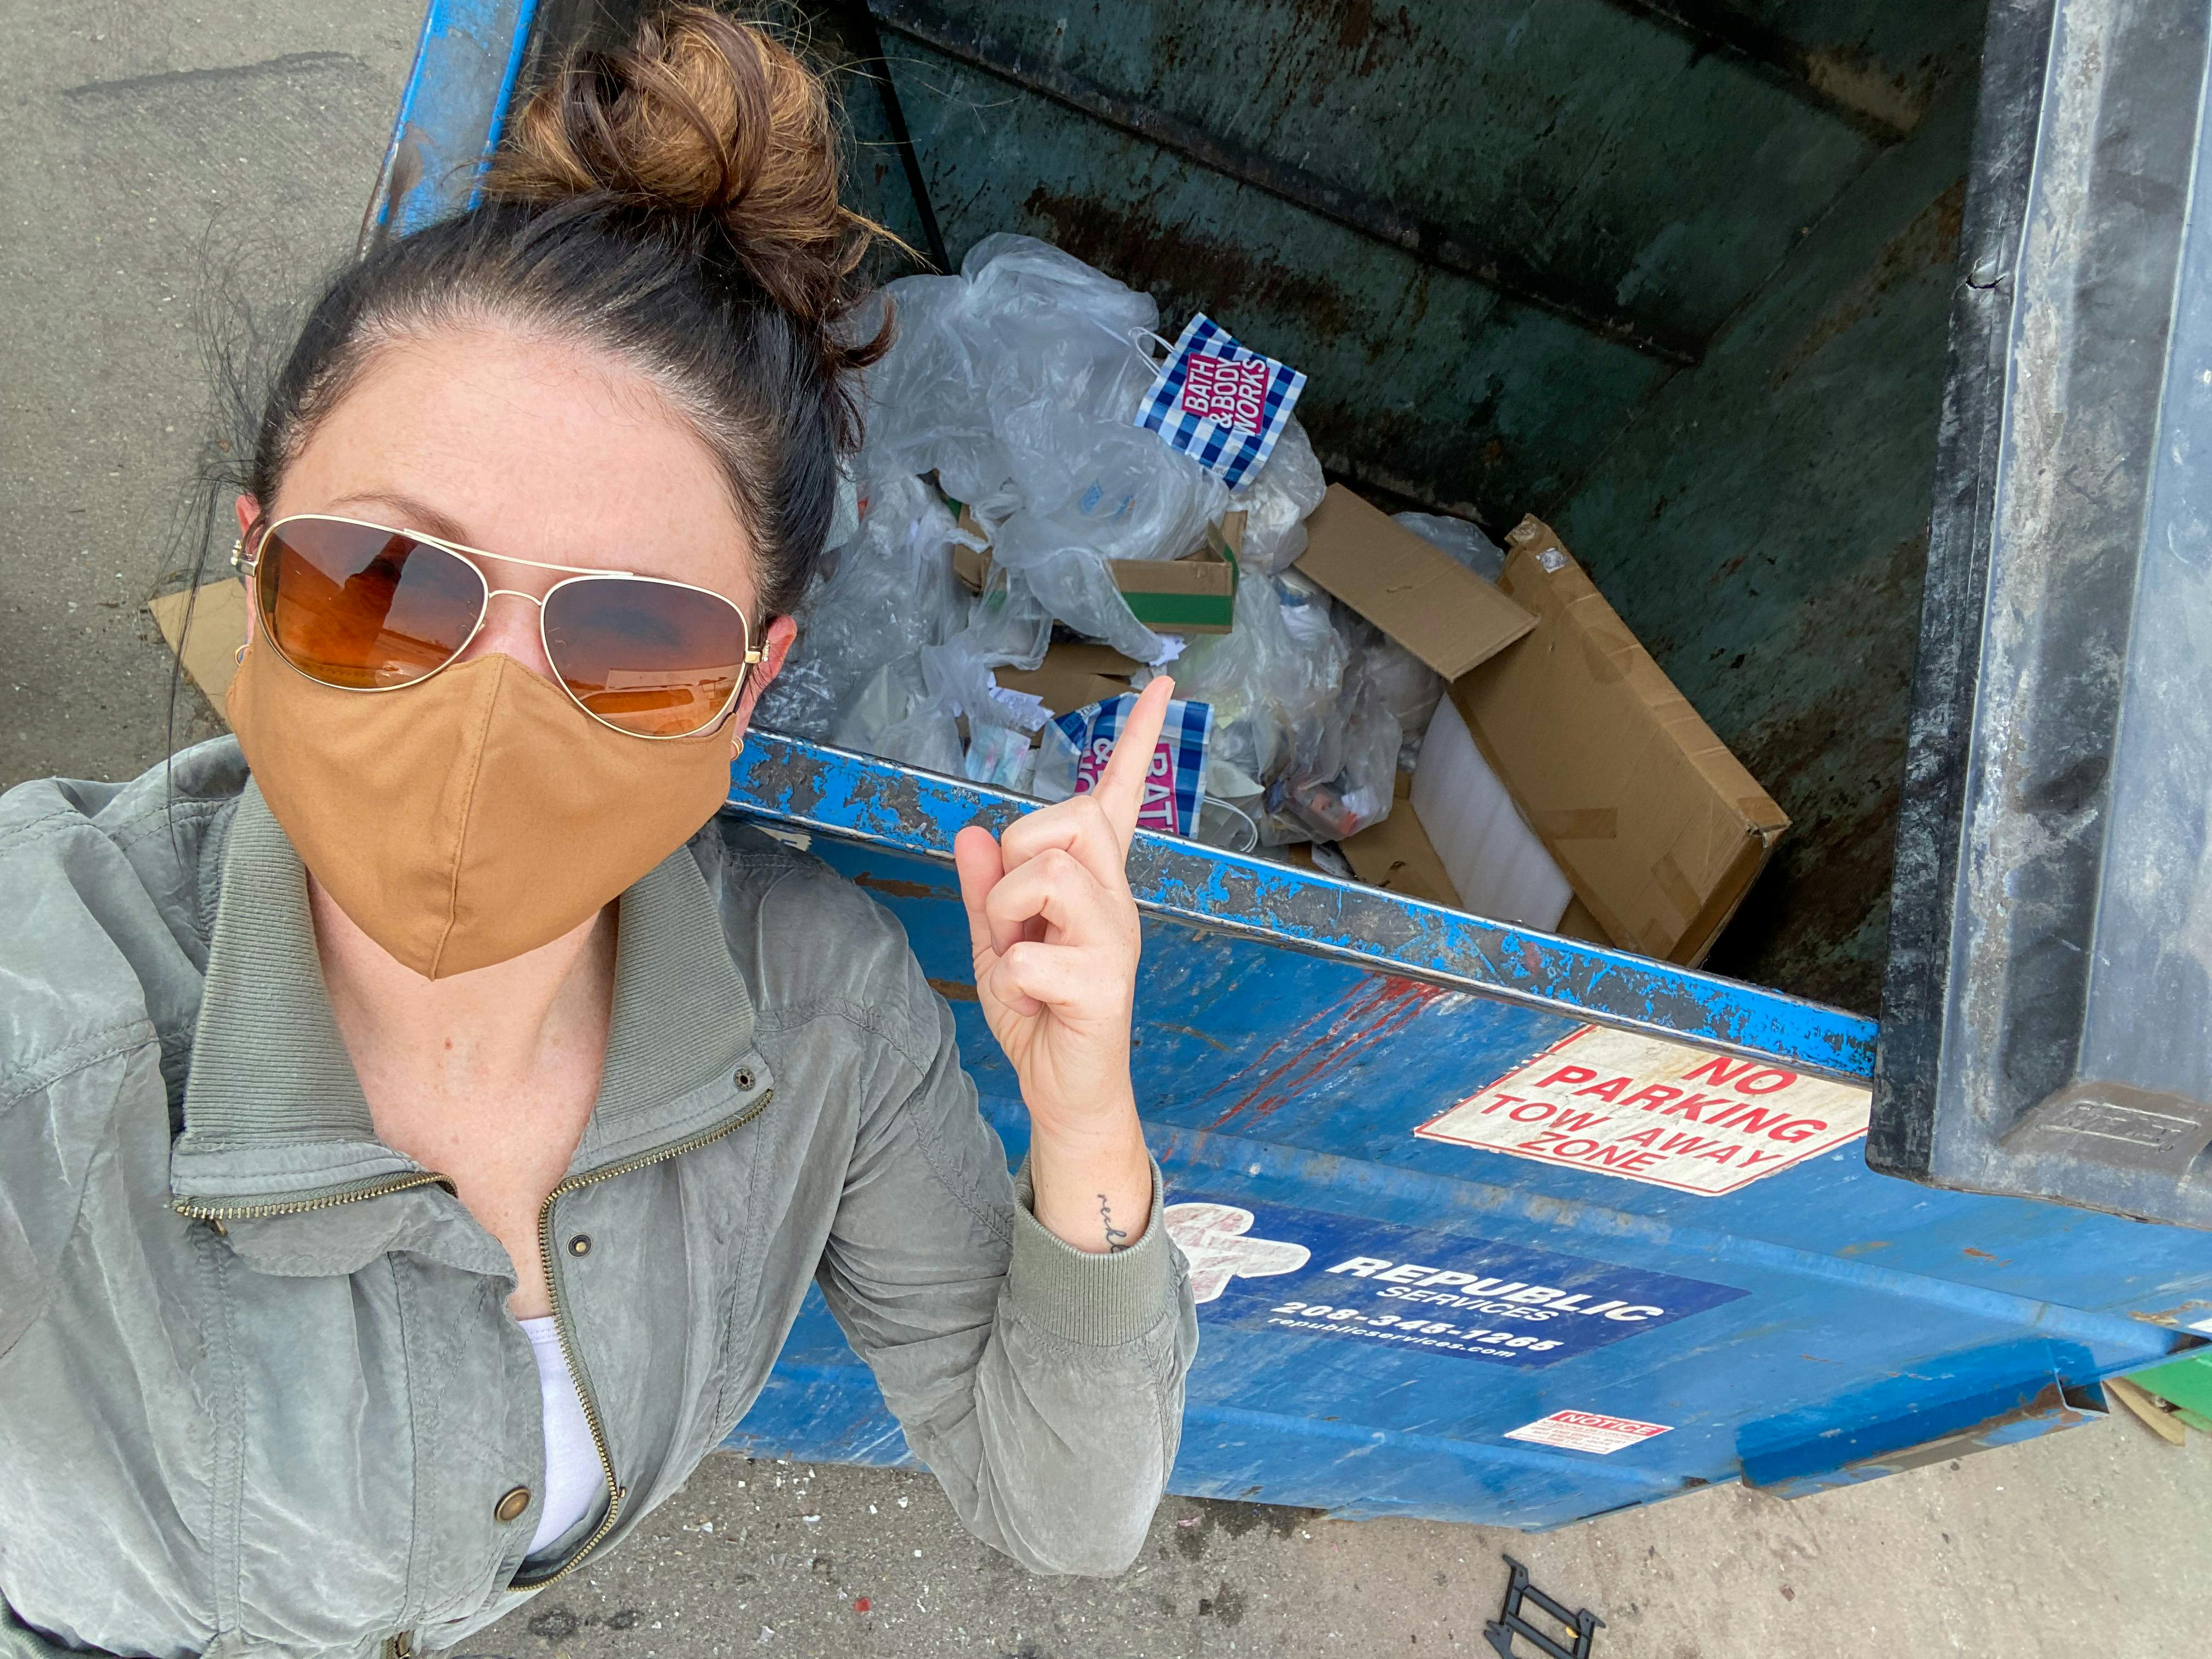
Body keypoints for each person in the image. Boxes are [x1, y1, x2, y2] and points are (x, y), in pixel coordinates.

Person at [0, 10, 1198, 1656]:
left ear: (754, 682)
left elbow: (1064, 1510)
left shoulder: (823, 1020)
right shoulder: (47, 1031)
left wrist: (1084, 1119)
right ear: (258, 560)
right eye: (385, 587)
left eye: (633, 644)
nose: (486, 717)